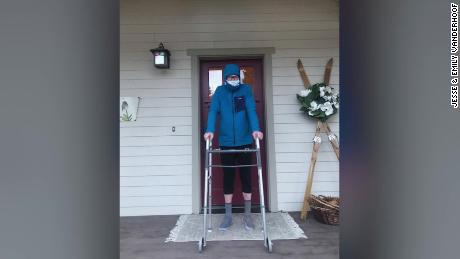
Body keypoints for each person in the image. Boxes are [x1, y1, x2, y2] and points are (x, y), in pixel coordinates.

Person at [203, 63, 264, 231]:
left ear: (239, 77)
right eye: (230, 77)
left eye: (235, 77)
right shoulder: (219, 92)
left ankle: (247, 216)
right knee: (228, 177)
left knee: (246, 177)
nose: (233, 80)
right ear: (225, 79)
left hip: (245, 141)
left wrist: (255, 130)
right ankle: (228, 217)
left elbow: (251, 110)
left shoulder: (245, 91)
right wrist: (209, 130)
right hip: (226, 142)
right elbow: (213, 111)